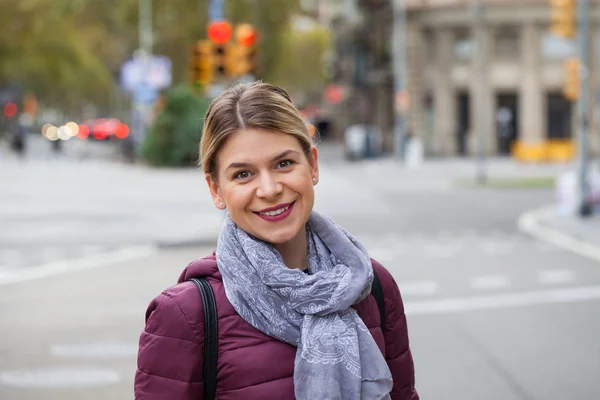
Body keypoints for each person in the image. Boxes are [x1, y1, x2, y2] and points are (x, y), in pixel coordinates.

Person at [134, 82, 419, 400]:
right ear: (216, 189)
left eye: (284, 164)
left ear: (312, 164)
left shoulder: (373, 286)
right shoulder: (186, 315)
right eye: (243, 174)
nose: (269, 189)